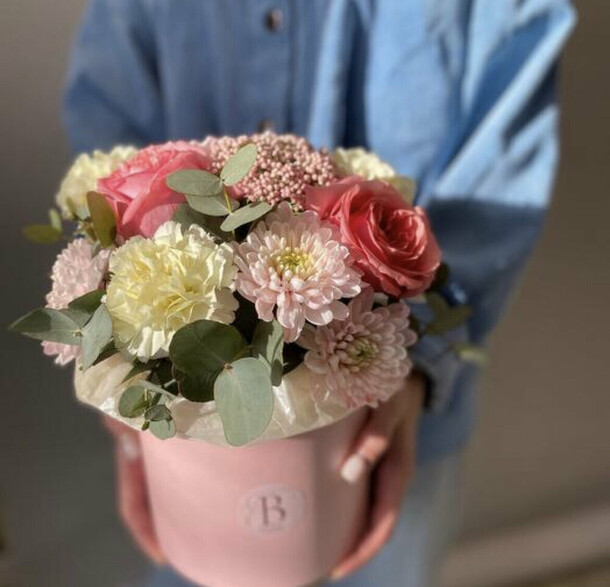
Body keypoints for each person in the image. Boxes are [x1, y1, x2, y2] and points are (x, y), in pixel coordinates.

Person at [64, 1, 575, 585]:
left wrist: (416, 359)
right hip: (185, 433)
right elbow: (109, 123)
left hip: (394, 422)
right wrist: (124, 370)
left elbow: (504, 143)